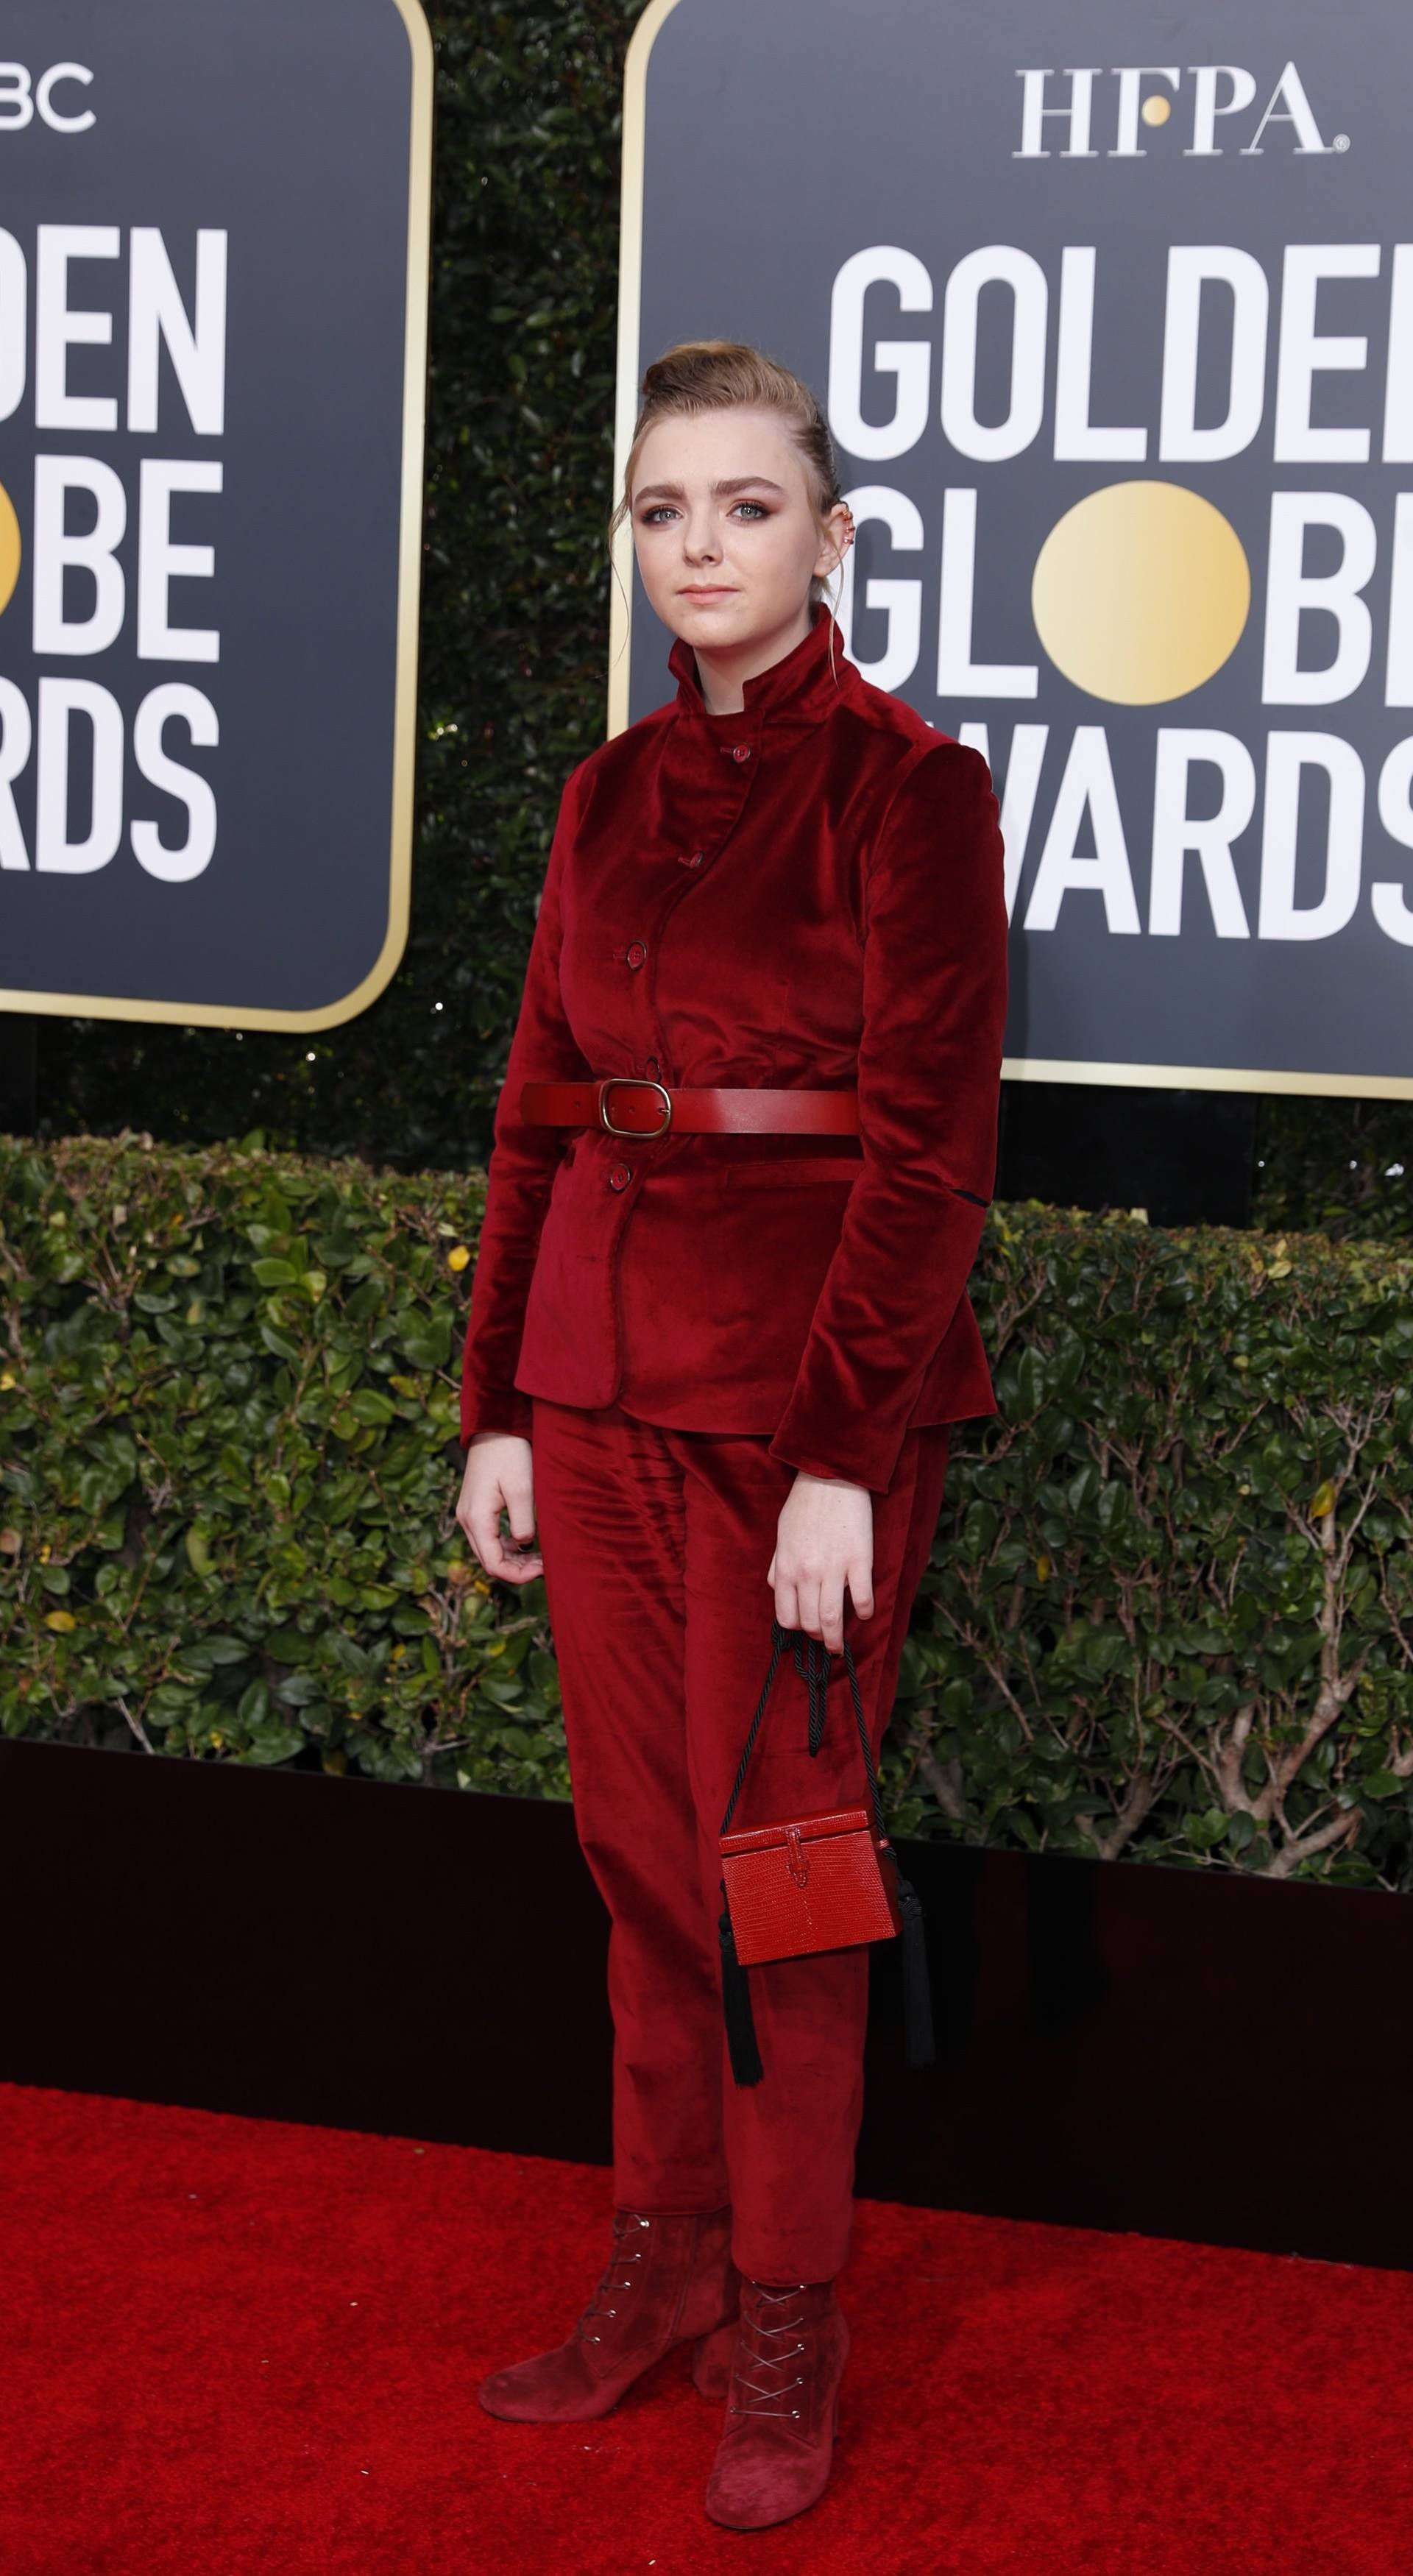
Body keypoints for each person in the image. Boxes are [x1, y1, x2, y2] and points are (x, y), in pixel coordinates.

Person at [455, 339, 1008, 2531]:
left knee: (781, 1881)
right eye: (667, 511)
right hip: (587, 1386)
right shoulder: (601, 794)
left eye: (747, 506)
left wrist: (846, 1460)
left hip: (797, 1416)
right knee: (631, 1854)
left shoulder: (912, 789)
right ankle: (666, 2257)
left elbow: (934, 1156)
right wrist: (496, 1397)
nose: (703, 546)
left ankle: (792, 2305)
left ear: (830, 532)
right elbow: (529, 1108)